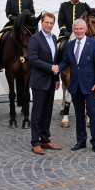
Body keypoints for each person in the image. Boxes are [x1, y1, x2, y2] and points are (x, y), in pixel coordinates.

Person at [55, 18, 95, 153]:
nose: (78, 31)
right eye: (76, 29)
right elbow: (65, 62)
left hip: (90, 87)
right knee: (79, 115)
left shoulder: (94, 44)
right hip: (75, 86)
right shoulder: (70, 45)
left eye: (81, 28)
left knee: (93, 114)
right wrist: (57, 68)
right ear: (73, 30)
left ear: (85, 29)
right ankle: (81, 141)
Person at [28, 12, 62, 155]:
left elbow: (55, 60)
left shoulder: (54, 38)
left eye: (51, 23)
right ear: (42, 23)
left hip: (50, 82)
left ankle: (45, 140)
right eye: (46, 22)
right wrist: (50, 68)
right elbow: (33, 59)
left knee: (47, 112)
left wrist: (57, 79)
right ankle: (35, 142)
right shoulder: (35, 38)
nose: (49, 25)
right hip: (39, 82)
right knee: (37, 113)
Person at [0, 0, 35, 72]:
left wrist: (26, 18)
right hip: (13, 24)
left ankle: (34, 61)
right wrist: (15, 19)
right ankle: (0, 62)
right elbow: (8, 13)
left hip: (26, 25)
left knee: (35, 38)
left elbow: (32, 13)